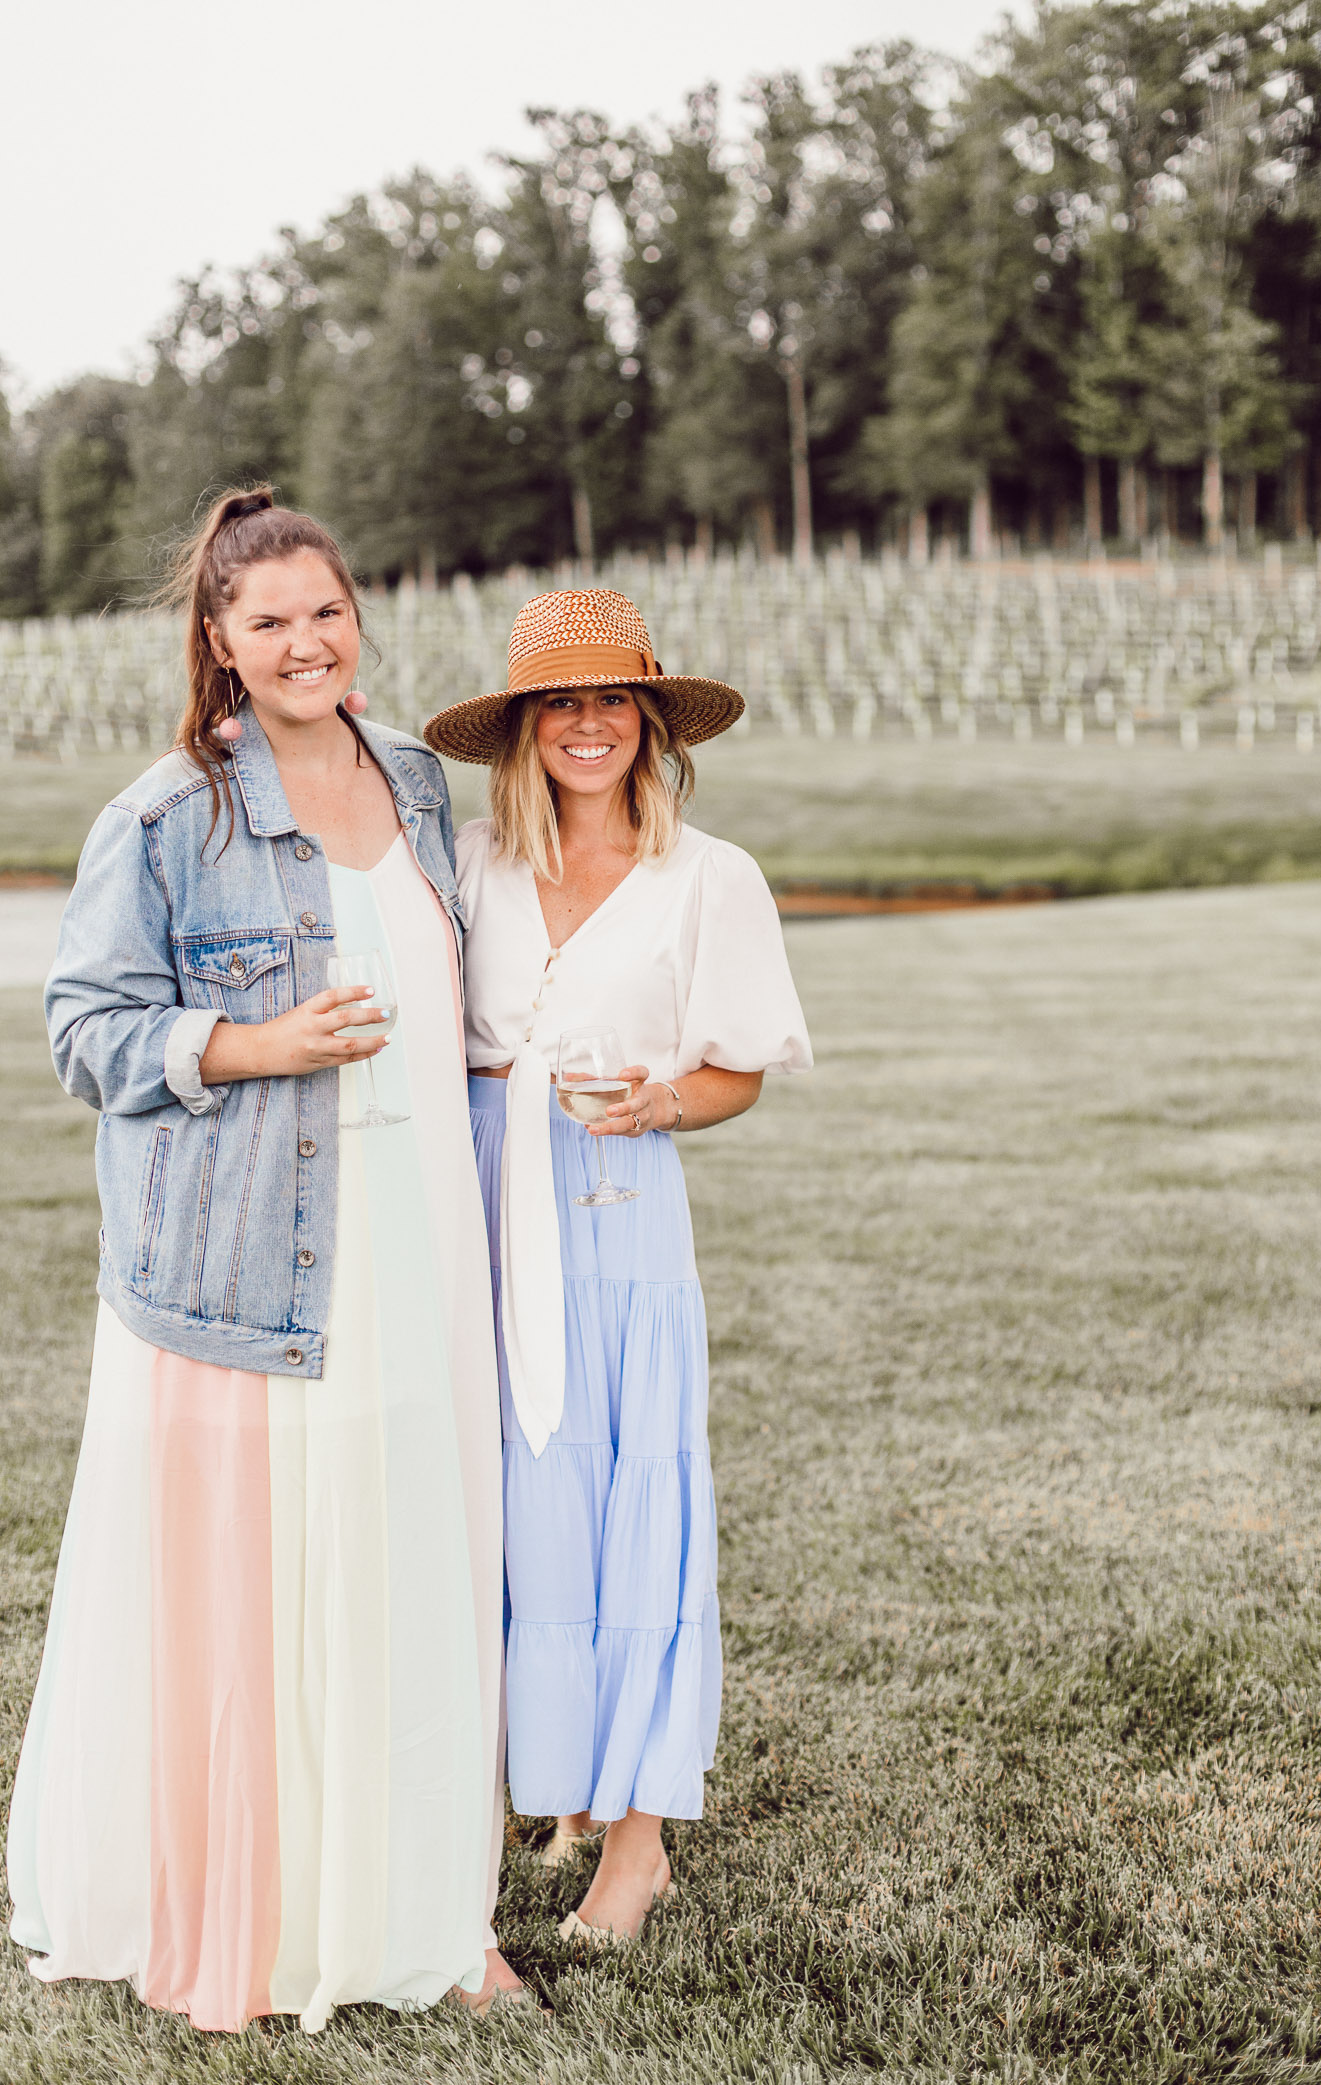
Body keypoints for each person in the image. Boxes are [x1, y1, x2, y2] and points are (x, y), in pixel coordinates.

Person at [8, 488, 522, 2030]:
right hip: (259, 1262)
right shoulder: (170, 814)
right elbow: (84, 1034)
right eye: (269, 619)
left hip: (428, 1233)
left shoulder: (420, 783)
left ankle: (429, 1911)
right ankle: (275, 1912)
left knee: (417, 1565)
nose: (306, 641)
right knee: (279, 1579)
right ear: (221, 645)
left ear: (356, 620)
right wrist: (250, 1041)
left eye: (327, 609)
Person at [424, 586, 812, 1941]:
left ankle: (634, 1836)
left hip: (618, 1199)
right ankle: (561, 1782)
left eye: (610, 701)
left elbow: (737, 1072)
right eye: (559, 703)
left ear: (648, 723)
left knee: (630, 1489)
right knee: (516, 1500)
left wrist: (662, 1102)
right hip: (480, 1204)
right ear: (524, 727)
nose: (586, 725)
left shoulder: (709, 877)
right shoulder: (468, 864)